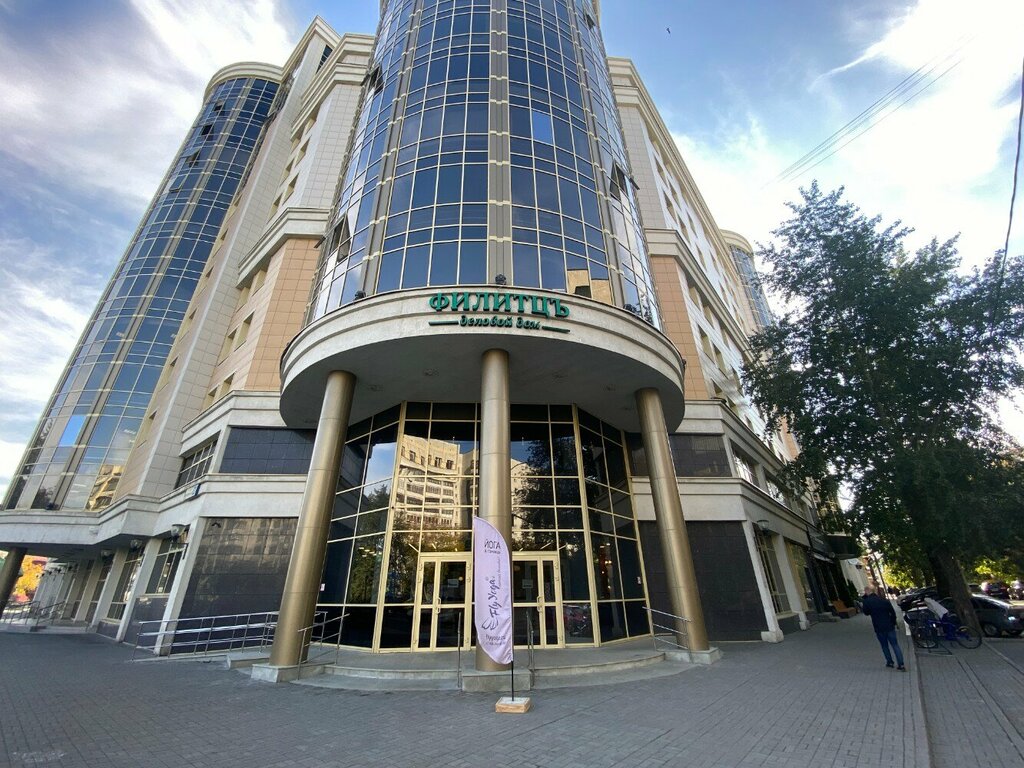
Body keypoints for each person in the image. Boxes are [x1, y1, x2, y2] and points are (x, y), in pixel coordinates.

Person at [861, 586, 905, 670]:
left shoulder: (867, 601)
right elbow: (893, 613)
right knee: (895, 645)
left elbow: (866, 612)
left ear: (867, 591)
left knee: (884, 646)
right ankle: (901, 664)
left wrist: (865, 600)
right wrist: (893, 622)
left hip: (878, 627)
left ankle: (890, 662)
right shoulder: (884, 600)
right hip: (889, 625)